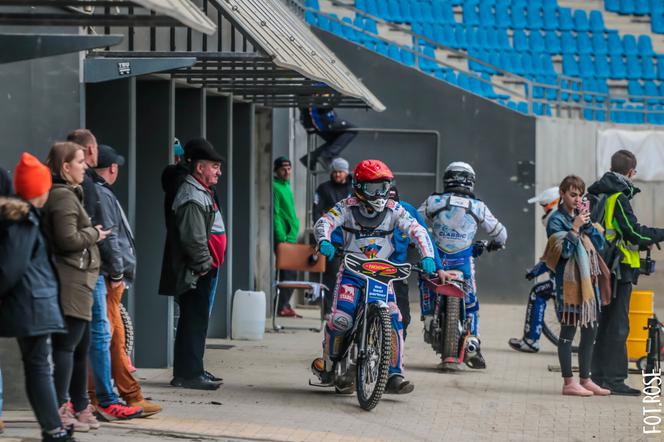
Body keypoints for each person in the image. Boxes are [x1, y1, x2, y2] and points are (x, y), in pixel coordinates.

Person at [312, 159, 438, 394]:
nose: (380, 194)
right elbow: (324, 222)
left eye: (384, 187)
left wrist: (427, 255)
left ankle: (393, 374)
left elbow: (417, 230)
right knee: (341, 319)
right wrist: (324, 240)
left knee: (394, 317)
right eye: (373, 188)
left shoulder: (395, 210)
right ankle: (329, 363)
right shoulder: (346, 207)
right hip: (352, 273)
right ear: (358, 186)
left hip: (382, 276)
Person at [67, 130, 141, 421]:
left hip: (93, 271)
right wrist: (117, 270)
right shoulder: (87, 190)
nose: (87, 163)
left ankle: (88, 398)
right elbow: (102, 234)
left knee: (95, 334)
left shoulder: (86, 188)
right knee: (100, 333)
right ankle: (101, 398)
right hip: (93, 272)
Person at [41, 142, 115, 432]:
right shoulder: (62, 198)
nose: (86, 166)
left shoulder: (71, 194)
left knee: (80, 346)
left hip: (79, 280)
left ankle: (79, 405)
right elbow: (67, 240)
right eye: (80, 161)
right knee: (68, 346)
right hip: (71, 281)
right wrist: (93, 234)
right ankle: (62, 408)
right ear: (65, 167)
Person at [0, 154, 72, 441]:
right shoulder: (24, 220)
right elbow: (10, 268)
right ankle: (54, 430)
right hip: (32, 305)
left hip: (32, 304)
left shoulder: (23, 217)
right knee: (39, 367)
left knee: (38, 366)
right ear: (38, 190)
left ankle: (53, 428)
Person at [92, 145, 162, 416]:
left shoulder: (98, 191)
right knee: (112, 338)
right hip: (110, 278)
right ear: (112, 169)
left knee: (107, 338)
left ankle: (98, 396)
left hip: (107, 276)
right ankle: (129, 395)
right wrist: (117, 273)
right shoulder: (102, 193)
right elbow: (109, 237)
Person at [418, 162, 507, 369]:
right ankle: (473, 341)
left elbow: (415, 221)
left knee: (424, 277)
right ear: (470, 182)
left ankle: (429, 316)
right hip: (463, 263)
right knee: (472, 303)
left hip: (437, 261)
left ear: (447, 178)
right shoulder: (478, 206)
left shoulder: (434, 201)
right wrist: (495, 244)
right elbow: (501, 234)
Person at [589, 149, 664, 396]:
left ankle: (598, 376)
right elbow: (634, 232)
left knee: (605, 323)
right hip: (617, 269)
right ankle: (614, 379)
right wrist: (658, 234)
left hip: (601, 265)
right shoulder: (617, 198)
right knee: (618, 325)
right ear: (631, 172)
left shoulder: (600, 193)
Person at [542, 175, 611, 396]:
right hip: (568, 283)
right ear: (562, 194)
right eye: (572, 194)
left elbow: (600, 246)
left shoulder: (583, 217)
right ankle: (568, 382)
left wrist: (588, 225)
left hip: (588, 282)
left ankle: (585, 378)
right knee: (568, 330)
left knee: (590, 330)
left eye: (580, 195)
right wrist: (574, 228)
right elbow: (564, 253)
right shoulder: (555, 221)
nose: (577, 199)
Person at [166, 139, 225, 390]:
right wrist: (204, 264)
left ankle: (192, 369)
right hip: (198, 270)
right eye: (214, 166)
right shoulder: (192, 195)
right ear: (199, 168)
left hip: (203, 268)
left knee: (196, 320)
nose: (219, 172)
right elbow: (193, 237)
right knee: (193, 319)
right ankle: (189, 374)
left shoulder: (200, 191)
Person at [388, 186, 446, 339]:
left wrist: (437, 266)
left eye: (394, 204)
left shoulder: (407, 211)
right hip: (367, 272)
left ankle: (394, 360)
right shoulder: (361, 208)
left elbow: (424, 236)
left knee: (403, 319)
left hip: (396, 273)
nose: (390, 208)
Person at [508, 186, 560, 353]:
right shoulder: (562, 220)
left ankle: (531, 341)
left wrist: (536, 271)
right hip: (566, 276)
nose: (544, 209)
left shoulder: (556, 222)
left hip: (564, 279)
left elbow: (555, 255)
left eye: (545, 205)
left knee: (537, 292)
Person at [312, 157, 353, 315]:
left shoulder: (354, 187)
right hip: (332, 240)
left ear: (346, 172)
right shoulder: (323, 188)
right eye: (334, 171)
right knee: (332, 275)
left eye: (340, 171)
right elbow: (317, 213)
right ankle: (328, 309)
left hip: (351, 239)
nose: (337, 174)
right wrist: (321, 236)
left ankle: (348, 310)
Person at [273, 156, 301, 317]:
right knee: (288, 275)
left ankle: (284, 304)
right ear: (276, 170)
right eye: (283, 168)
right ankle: (281, 306)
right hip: (284, 239)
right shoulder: (275, 187)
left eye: (289, 168)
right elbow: (275, 214)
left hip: (291, 237)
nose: (286, 171)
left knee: (289, 274)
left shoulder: (286, 186)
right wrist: (281, 237)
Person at [299, 105, 357, 171]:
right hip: (320, 118)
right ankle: (326, 155)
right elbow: (324, 101)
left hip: (313, 119)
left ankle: (312, 157)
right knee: (352, 130)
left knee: (337, 140)